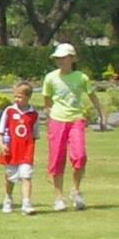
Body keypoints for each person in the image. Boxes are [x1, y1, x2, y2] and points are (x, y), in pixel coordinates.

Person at [41, 42, 106, 211]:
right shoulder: (50, 78)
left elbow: (92, 96)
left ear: (72, 59)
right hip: (57, 120)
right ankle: (58, 197)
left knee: (80, 156)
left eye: (64, 58)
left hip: (76, 119)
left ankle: (76, 190)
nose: (60, 61)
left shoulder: (81, 78)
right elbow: (47, 101)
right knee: (56, 159)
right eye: (58, 58)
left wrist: (101, 114)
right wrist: (50, 117)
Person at [0, 81, 39, 215]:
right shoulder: (9, 111)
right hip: (11, 150)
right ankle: (8, 198)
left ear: (28, 97)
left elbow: (34, 134)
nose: (17, 99)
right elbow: (1, 130)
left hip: (26, 151)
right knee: (10, 177)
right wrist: (2, 145)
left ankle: (26, 203)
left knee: (26, 176)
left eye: (20, 97)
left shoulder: (33, 114)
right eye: (15, 96)